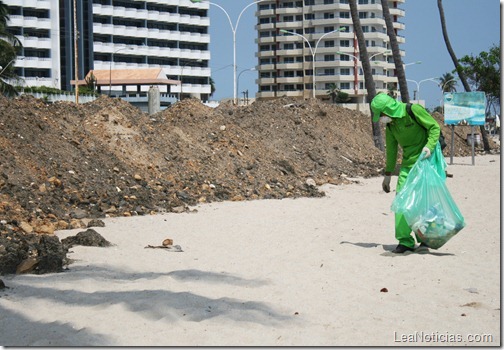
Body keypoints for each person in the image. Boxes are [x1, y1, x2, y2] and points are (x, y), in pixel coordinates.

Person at [371, 93, 441, 254]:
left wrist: (429, 147)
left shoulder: (413, 110)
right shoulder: (391, 126)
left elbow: (434, 127)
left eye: (381, 115)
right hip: (408, 166)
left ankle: (425, 240)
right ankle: (405, 241)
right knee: (401, 202)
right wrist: (388, 174)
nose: (381, 119)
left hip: (426, 162)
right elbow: (392, 150)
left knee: (423, 203)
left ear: (388, 110)